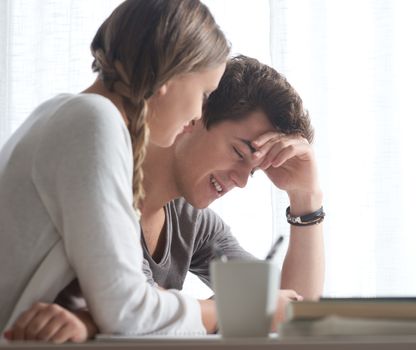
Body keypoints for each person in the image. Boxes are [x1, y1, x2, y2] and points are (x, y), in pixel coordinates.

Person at [4, 55, 325, 342]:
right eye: (239, 153)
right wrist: (245, 307)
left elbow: (290, 309)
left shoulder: (192, 223)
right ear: (194, 114)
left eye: (253, 172)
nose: (241, 181)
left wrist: (305, 198)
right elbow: (135, 309)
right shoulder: (99, 187)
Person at [0, 0, 229, 340]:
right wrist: (222, 310)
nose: (198, 114)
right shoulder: (93, 122)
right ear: (170, 76)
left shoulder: (66, 113)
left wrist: (91, 320)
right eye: (204, 93)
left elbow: (118, 307)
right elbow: (128, 311)